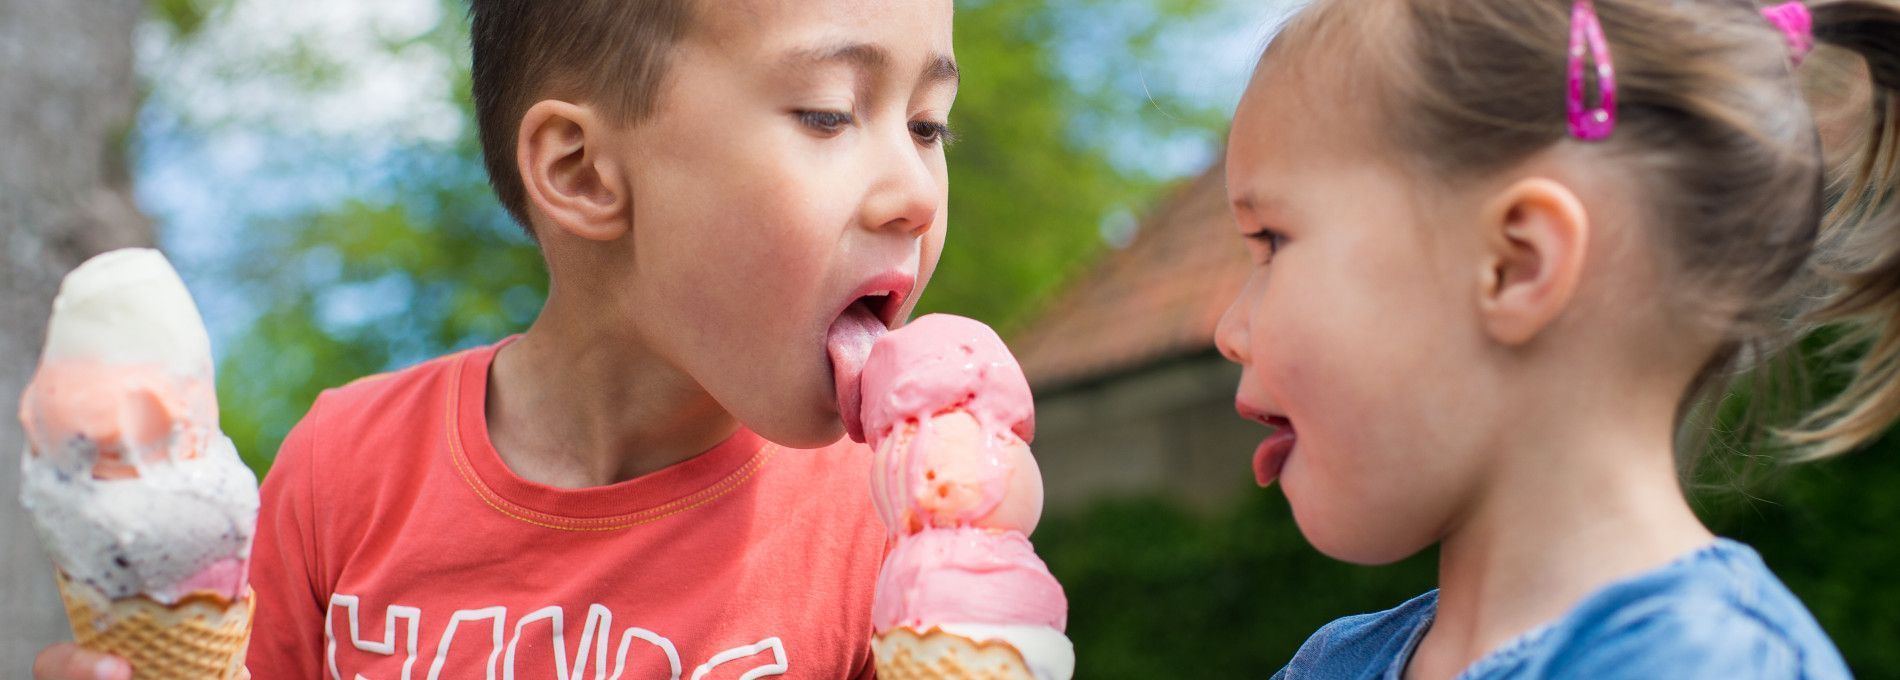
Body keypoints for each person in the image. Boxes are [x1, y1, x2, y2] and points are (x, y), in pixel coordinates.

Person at [34, 0, 958, 677]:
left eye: (928, 125)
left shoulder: (892, 532)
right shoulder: (345, 470)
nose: (916, 192)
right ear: (584, 170)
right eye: (831, 112)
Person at [1214, 0, 1897, 676]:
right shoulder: (1336, 662)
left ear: (1516, 264)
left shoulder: (1709, 662)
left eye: (1271, 239)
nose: (1229, 331)